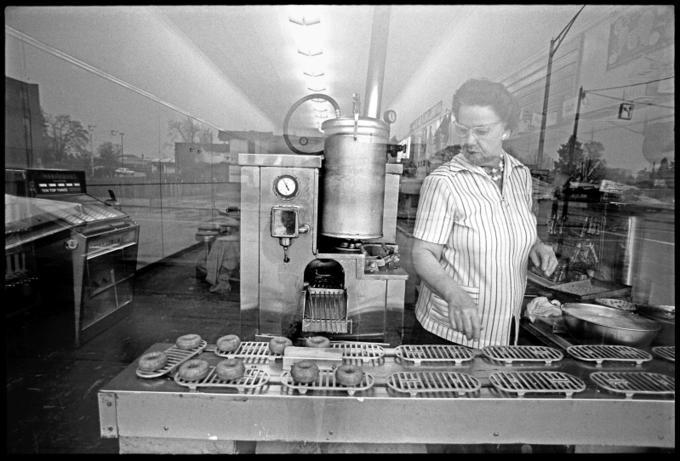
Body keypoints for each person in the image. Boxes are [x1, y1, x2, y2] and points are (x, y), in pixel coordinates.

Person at [410, 78, 558, 348]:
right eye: (463, 130)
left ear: (507, 130)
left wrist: (535, 244)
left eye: (481, 131)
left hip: (505, 330)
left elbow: (510, 224)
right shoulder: (444, 181)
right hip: (451, 335)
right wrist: (454, 294)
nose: (469, 141)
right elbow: (423, 253)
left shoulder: (520, 175)